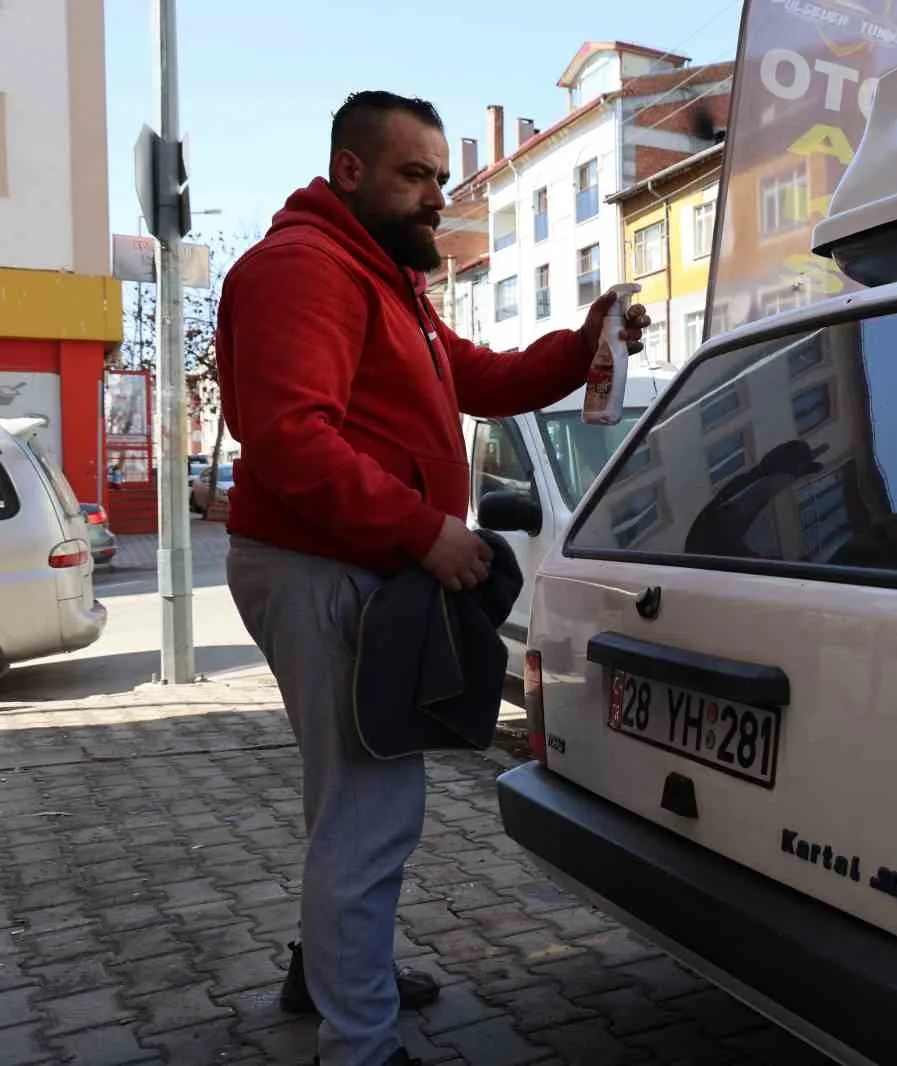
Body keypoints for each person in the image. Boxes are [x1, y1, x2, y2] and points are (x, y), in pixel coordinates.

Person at [215, 91, 648, 1066]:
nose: (435, 198)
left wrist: (588, 342)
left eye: (441, 179)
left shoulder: (385, 281)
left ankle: (322, 971)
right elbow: (289, 439)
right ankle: (360, 1041)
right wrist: (424, 533)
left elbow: (482, 378)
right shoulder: (305, 270)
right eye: (414, 175)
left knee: (348, 800)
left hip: (348, 562)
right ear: (350, 170)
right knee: (373, 808)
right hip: (328, 567)